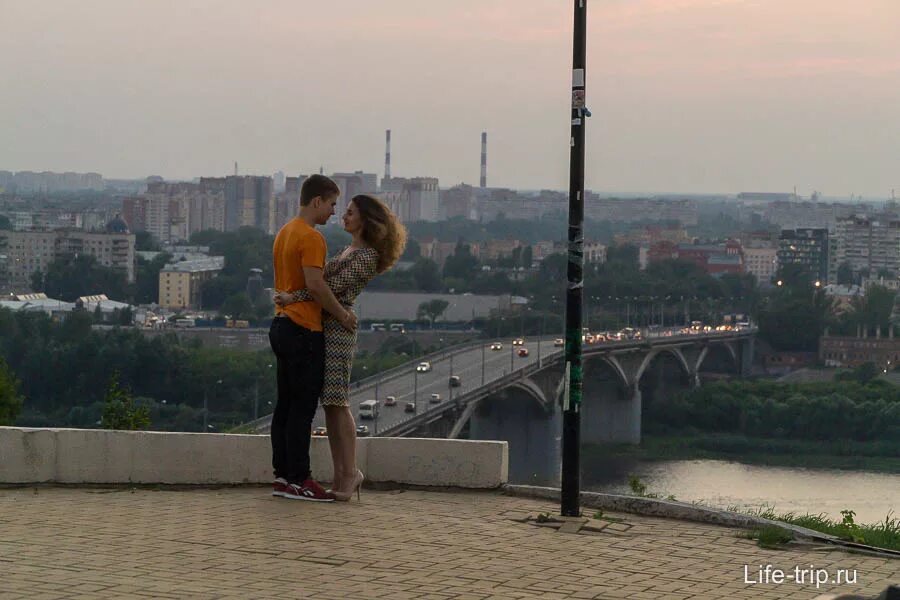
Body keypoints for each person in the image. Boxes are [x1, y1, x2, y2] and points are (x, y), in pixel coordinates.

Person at [274, 194, 406, 502]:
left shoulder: (367, 256)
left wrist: (295, 297)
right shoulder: (351, 249)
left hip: (338, 328)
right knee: (331, 403)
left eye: (349, 213)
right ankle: (342, 474)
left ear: (366, 220)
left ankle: (350, 474)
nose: (342, 217)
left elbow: (328, 288)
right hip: (328, 323)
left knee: (337, 401)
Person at [269, 174, 358, 502]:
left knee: (284, 407)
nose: (334, 212)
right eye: (332, 204)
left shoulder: (285, 232)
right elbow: (317, 285)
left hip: (280, 324)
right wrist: (343, 315)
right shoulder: (312, 237)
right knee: (302, 409)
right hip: (303, 330)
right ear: (317, 201)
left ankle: (282, 476)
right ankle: (300, 480)